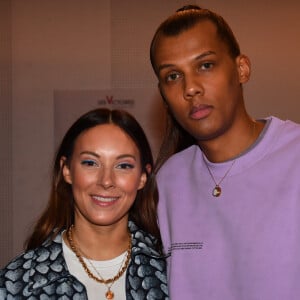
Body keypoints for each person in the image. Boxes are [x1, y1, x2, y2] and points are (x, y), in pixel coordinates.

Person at [150, 4, 300, 300]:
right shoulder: (167, 181)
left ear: (242, 68)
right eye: (173, 76)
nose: (190, 88)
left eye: (205, 65)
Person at [0, 108, 169, 300]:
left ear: (142, 178)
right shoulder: (17, 284)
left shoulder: (171, 272)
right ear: (67, 170)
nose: (106, 181)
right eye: (90, 163)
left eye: (123, 166)